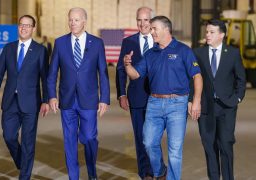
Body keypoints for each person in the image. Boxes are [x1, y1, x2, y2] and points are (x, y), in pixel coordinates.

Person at [123, 16, 203, 180]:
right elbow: (135, 75)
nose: (150, 31)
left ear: (166, 29)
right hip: (154, 104)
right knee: (148, 143)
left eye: (154, 28)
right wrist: (127, 65)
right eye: (151, 29)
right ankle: (160, 172)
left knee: (174, 150)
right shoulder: (150, 53)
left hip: (177, 104)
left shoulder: (183, 50)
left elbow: (197, 76)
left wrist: (196, 101)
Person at [47, 7, 110, 180]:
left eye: (76, 20)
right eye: (70, 19)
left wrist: (104, 98)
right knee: (69, 141)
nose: (72, 23)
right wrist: (51, 95)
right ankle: (73, 177)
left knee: (89, 137)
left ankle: (91, 171)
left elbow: (103, 73)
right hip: (67, 100)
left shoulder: (96, 43)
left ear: (84, 21)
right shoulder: (60, 43)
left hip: (89, 100)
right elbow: (52, 72)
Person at [0, 15, 49, 180]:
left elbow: (45, 78)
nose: (24, 28)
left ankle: (25, 176)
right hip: (10, 101)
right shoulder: (8, 48)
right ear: (18, 27)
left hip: (31, 102)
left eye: (28, 25)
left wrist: (46, 100)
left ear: (33, 28)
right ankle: (22, 162)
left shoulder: (40, 50)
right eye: (21, 25)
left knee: (28, 142)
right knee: (9, 136)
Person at [190, 19, 246, 180]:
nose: (207, 35)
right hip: (206, 108)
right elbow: (191, 79)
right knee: (209, 146)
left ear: (222, 35)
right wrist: (192, 100)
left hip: (227, 108)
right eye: (206, 32)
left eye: (211, 32)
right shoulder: (197, 53)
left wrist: (237, 98)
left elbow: (241, 79)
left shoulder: (233, 54)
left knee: (226, 145)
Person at [116, 7, 153, 180]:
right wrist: (121, 94)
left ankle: (156, 168)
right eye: (139, 20)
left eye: (146, 20)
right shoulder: (128, 42)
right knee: (140, 137)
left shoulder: (160, 40)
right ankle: (145, 173)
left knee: (153, 137)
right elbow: (120, 70)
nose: (142, 23)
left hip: (158, 98)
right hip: (136, 96)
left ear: (152, 21)